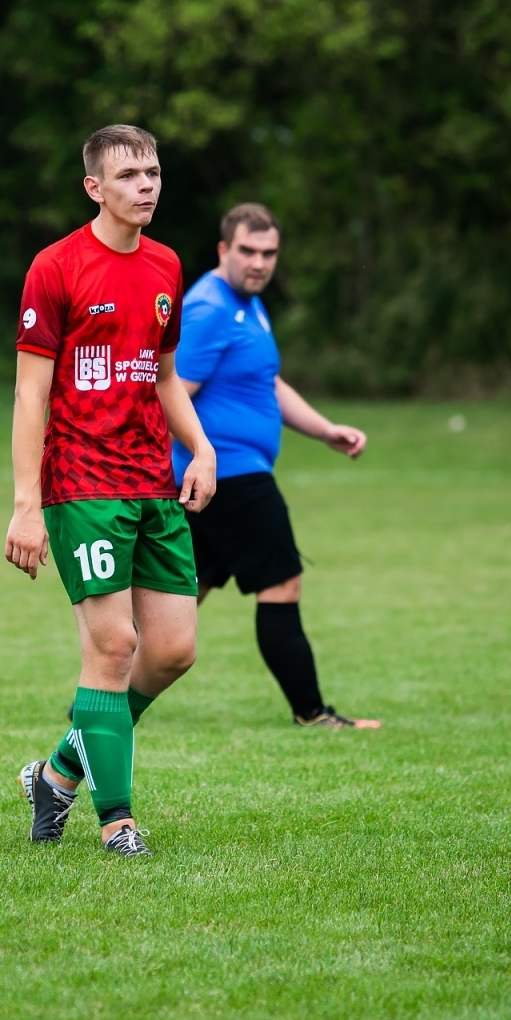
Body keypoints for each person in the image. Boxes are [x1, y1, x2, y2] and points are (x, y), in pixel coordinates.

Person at [5, 125, 217, 857]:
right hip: (81, 482)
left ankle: (60, 770)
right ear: (94, 187)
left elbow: (161, 376)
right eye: (129, 175)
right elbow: (30, 396)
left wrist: (202, 447)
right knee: (115, 645)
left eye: (153, 172)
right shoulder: (56, 267)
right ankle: (116, 820)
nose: (146, 186)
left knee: (174, 651)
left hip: (151, 482)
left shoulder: (164, 265)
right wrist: (26, 506)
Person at [174, 203, 380, 729]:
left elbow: (267, 383)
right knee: (281, 584)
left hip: (217, 480)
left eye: (268, 253)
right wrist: (197, 455)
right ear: (224, 250)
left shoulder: (249, 304)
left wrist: (324, 429)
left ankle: (99, 702)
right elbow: (168, 394)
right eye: (247, 251)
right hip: (232, 477)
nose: (259, 262)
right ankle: (312, 714)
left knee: (178, 600)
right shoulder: (210, 309)